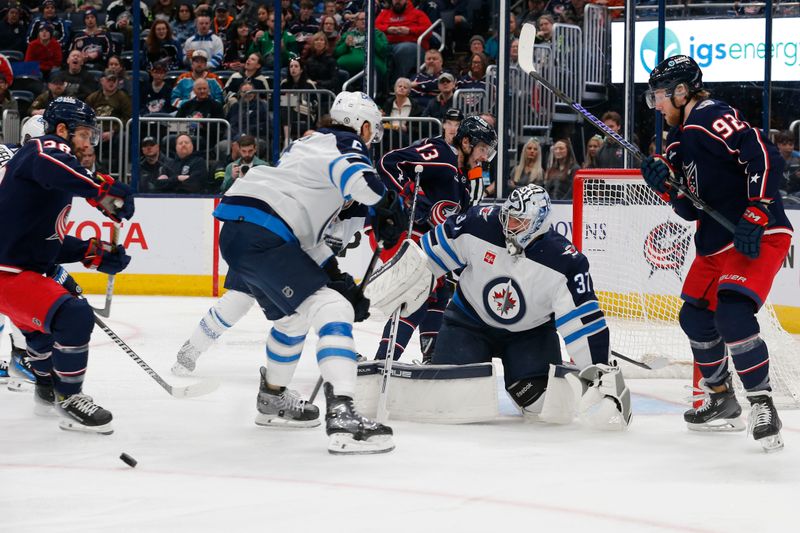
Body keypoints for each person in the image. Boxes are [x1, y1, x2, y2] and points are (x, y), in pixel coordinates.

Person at [208, 91, 404, 454]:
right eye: (371, 132)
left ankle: (273, 399)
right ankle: (344, 415)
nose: (370, 141)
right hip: (264, 233)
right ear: (362, 125)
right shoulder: (342, 141)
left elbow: (304, 240)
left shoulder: (306, 149)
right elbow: (361, 179)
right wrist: (388, 204)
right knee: (333, 309)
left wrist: (339, 280)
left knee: (294, 317)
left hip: (242, 232)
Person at [640, 54, 792, 451]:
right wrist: (664, 183)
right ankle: (722, 397)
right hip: (716, 241)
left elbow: (762, 151)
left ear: (680, 92)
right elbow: (689, 207)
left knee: (732, 313)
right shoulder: (676, 141)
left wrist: (757, 208)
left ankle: (762, 403)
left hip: (757, 233)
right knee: (694, 316)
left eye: (658, 96)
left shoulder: (710, 114)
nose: (655, 105)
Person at [406, 184, 629, 429]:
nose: (508, 226)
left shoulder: (565, 262)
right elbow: (425, 257)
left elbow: (582, 323)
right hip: (467, 323)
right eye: (508, 217)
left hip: (529, 335)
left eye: (518, 221)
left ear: (539, 222)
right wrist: (402, 280)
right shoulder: (479, 224)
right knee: (454, 400)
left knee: (544, 405)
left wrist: (599, 370)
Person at [0, 96, 135, 434]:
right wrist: (101, 192)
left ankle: (46, 389)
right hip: (8, 274)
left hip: (18, 271)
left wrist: (93, 251)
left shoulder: (51, 176)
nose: (89, 142)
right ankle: (69, 398)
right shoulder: (43, 149)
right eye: (85, 133)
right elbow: (48, 156)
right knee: (73, 314)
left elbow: (44, 241)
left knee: (40, 331)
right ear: (62, 130)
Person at [371, 115, 497, 363]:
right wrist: (409, 195)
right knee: (419, 289)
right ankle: (383, 360)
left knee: (440, 292)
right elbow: (388, 162)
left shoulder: (464, 177)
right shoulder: (441, 153)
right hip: (399, 227)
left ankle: (432, 356)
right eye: (483, 149)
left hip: (424, 236)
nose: (485, 156)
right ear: (467, 141)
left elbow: (455, 219)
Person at [375, 0, 432, 80]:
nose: (398, 2)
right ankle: (380, 85)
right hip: (388, 44)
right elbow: (375, 27)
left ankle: (397, 83)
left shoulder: (418, 14)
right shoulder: (384, 13)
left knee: (404, 49)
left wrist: (409, 30)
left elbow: (428, 31)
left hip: (413, 47)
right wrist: (387, 29)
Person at [334, 10, 389, 78]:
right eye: (361, 19)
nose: (364, 21)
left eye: (367, 19)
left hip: (372, 67)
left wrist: (372, 35)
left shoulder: (378, 34)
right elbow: (336, 53)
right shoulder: (348, 34)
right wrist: (345, 45)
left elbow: (385, 52)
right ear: (356, 22)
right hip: (347, 67)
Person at [774, 130, 800, 196]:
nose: (788, 147)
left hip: (796, 192)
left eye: (791, 144)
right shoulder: (773, 158)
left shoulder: (798, 157)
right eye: (784, 144)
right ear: (778, 145)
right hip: (778, 192)